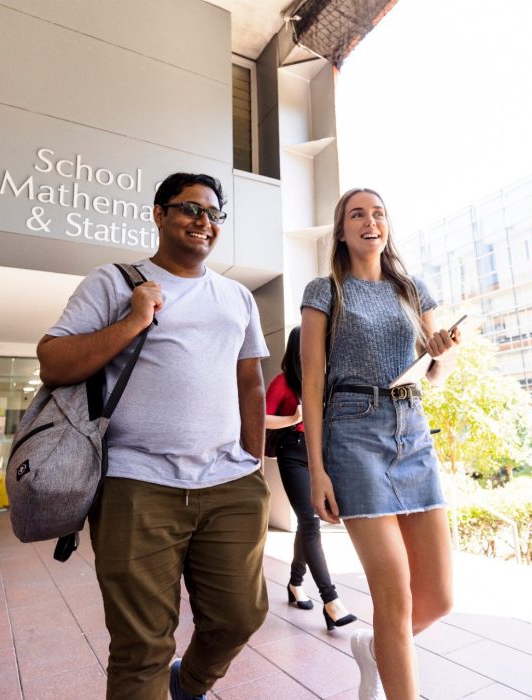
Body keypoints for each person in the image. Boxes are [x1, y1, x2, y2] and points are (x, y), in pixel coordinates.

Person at [37, 172, 270, 700]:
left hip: (229, 483)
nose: (203, 222)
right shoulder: (115, 282)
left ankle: (189, 686)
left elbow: (250, 381)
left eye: (213, 214)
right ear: (159, 214)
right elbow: (52, 361)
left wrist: (253, 462)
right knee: (140, 647)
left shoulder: (236, 296)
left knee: (240, 616)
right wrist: (134, 319)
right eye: (190, 209)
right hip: (136, 482)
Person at [300, 188, 461, 700]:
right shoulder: (325, 290)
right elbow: (310, 381)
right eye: (357, 215)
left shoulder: (413, 290)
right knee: (393, 596)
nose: (370, 222)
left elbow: (438, 375)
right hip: (352, 432)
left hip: (412, 430)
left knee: (436, 599)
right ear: (342, 231)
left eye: (378, 214)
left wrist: (443, 350)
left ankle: (374, 650)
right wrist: (317, 470)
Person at [265, 326, 357, 630]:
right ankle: (331, 601)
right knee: (309, 521)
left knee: (308, 522)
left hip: (321, 455)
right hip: (293, 452)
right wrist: (293, 418)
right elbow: (259, 417)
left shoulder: (324, 382)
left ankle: (295, 583)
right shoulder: (283, 382)